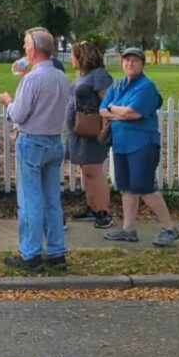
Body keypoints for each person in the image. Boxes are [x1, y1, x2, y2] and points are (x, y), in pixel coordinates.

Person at [0, 27, 71, 272]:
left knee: (30, 199)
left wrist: (8, 102)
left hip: (32, 140)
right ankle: (56, 251)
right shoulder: (61, 77)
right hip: (53, 139)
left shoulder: (32, 78)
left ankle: (30, 253)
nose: (23, 49)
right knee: (52, 197)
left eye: (25, 45)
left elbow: (19, 114)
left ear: (33, 49)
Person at [100, 48, 179, 246]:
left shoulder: (146, 87)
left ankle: (170, 228)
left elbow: (132, 113)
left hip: (142, 145)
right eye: (126, 60)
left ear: (142, 64)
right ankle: (128, 230)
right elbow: (102, 109)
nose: (130, 64)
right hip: (121, 144)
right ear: (122, 63)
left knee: (145, 188)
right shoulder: (118, 85)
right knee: (126, 188)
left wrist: (114, 109)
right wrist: (116, 111)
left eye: (135, 61)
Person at [65, 40, 114, 229]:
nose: (71, 58)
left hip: (92, 131)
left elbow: (107, 101)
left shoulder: (99, 76)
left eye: (73, 54)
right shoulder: (82, 75)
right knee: (86, 172)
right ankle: (92, 208)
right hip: (78, 132)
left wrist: (104, 129)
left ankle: (104, 212)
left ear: (82, 56)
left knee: (94, 172)